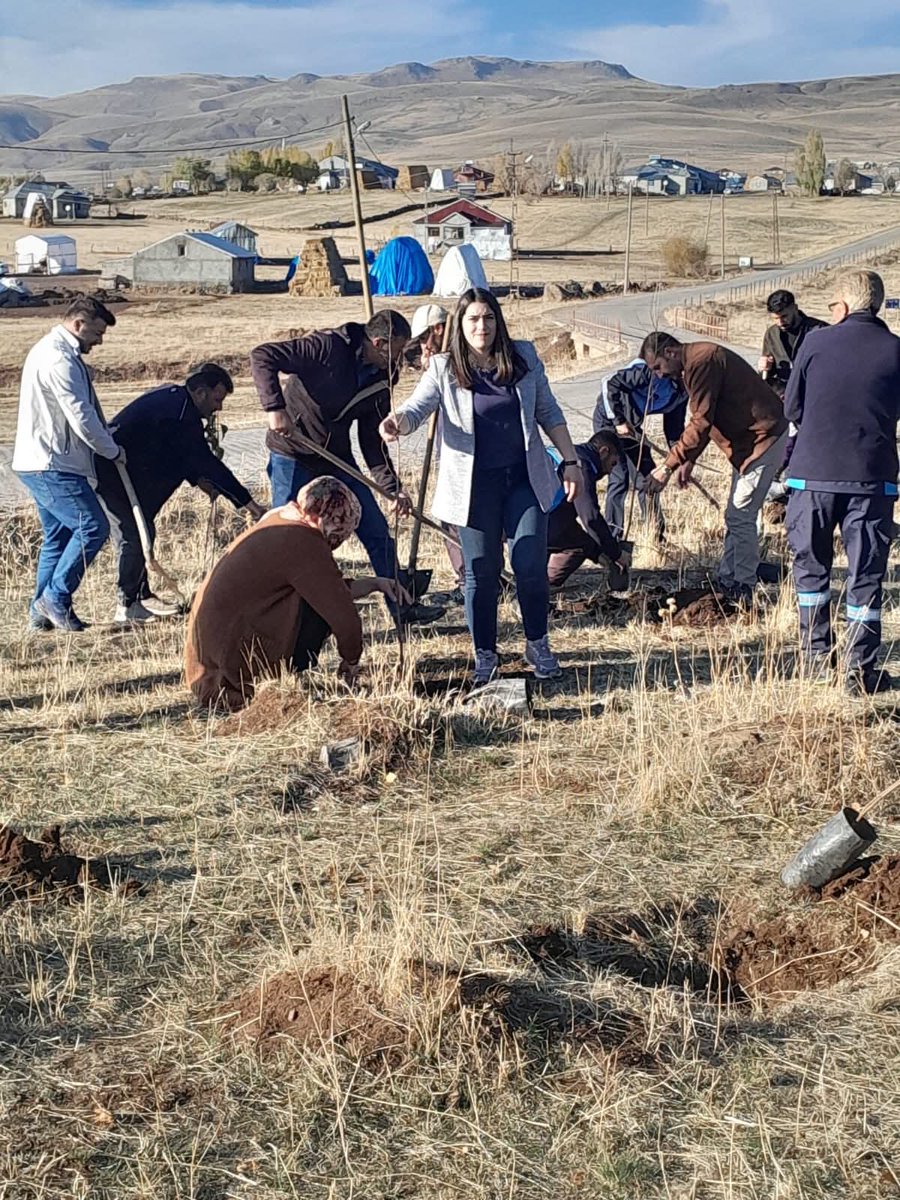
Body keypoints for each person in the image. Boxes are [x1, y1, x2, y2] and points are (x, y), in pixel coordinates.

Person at [380, 288, 582, 684]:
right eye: (473, 319)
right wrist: (397, 422)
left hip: (524, 480)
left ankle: (538, 644)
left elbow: (548, 411)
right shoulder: (443, 367)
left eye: (488, 318)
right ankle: (486, 655)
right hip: (473, 488)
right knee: (481, 573)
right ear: (460, 324)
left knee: (528, 565)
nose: (481, 326)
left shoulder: (522, 357)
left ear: (498, 321)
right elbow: (418, 407)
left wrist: (571, 462)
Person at [250, 309, 442, 625]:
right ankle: (276, 615)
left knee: (377, 530)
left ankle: (403, 608)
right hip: (292, 453)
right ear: (378, 342)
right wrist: (275, 409)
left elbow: (371, 439)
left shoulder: (386, 376)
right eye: (396, 350)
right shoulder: (326, 347)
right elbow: (263, 356)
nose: (400, 361)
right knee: (285, 538)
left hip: (337, 459)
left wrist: (392, 489)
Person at [185, 476, 411, 712]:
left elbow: (328, 589)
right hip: (224, 674)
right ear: (332, 522)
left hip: (208, 660)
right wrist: (351, 661)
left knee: (315, 603)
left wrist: (376, 584)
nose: (340, 542)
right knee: (317, 615)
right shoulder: (303, 542)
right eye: (343, 532)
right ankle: (261, 682)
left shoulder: (282, 518)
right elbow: (343, 617)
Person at [784, 269, 900, 695]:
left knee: (811, 571)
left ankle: (816, 659)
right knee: (866, 575)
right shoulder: (895, 351)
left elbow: (792, 409)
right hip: (872, 482)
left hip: (811, 477)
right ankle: (860, 671)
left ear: (845, 306)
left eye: (833, 305)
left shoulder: (814, 343)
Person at [95, 363, 266, 624]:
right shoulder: (179, 414)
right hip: (112, 474)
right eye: (217, 399)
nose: (218, 408)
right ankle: (126, 605)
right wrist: (247, 503)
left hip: (132, 472)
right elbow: (204, 460)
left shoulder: (175, 401)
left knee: (143, 533)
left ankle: (140, 595)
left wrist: (198, 480)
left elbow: (178, 454)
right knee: (134, 535)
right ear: (200, 393)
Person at [642, 332, 788, 603]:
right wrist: (690, 459)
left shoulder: (703, 361)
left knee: (741, 516)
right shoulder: (694, 364)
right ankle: (728, 578)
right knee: (736, 515)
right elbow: (708, 416)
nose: (659, 376)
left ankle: (742, 585)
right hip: (747, 445)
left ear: (670, 352)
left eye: (658, 367)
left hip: (763, 438)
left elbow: (701, 422)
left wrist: (667, 466)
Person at [13, 294, 124, 632]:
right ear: (79, 324)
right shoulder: (58, 359)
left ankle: (39, 613)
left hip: (41, 460)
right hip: (52, 463)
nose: (100, 340)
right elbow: (81, 416)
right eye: (98, 332)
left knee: (59, 537)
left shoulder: (56, 352)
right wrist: (111, 450)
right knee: (93, 527)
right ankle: (56, 598)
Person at [407, 302, 467, 601]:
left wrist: (434, 367)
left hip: (462, 452)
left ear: (438, 330)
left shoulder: (455, 359)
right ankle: (475, 577)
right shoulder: (441, 361)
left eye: (422, 339)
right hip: (450, 447)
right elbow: (418, 405)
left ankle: (469, 580)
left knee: (454, 515)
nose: (421, 347)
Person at [592, 357, 687, 541]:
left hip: (633, 429)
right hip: (610, 421)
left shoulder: (681, 394)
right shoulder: (648, 371)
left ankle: (656, 535)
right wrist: (618, 421)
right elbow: (609, 383)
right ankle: (614, 540)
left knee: (648, 477)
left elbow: (674, 430)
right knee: (620, 477)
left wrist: (679, 458)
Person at [546, 430, 632, 589]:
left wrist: (598, 554)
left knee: (581, 543)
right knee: (576, 544)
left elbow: (568, 522)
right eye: (612, 463)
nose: (610, 472)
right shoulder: (582, 467)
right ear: (604, 452)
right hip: (539, 521)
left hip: (532, 512)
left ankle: (539, 584)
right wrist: (617, 554)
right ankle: (538, 585)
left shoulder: (572, 453)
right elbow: (590, 517)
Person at [758, 289, 828, 397]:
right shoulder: (771, 334)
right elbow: (768, 374)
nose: (780, 322)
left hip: (814, 395)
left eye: (784, 316)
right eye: (775, 318)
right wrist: (764, 368)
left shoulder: (820, 331)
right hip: (784, 398)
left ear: (795, 308)